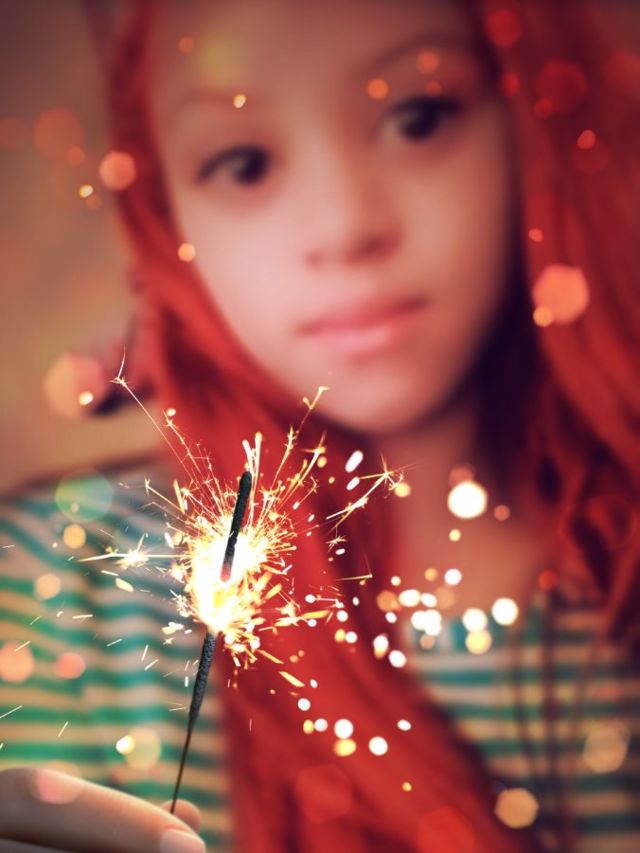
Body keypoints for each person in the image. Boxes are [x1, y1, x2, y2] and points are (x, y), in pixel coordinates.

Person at [1, 0, 639, 850]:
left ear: (534, 123)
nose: (344, 228)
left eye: (419, 119)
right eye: (243, 162)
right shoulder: (56, 592)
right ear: (166, 217)